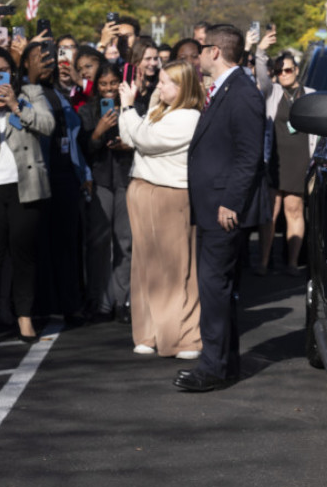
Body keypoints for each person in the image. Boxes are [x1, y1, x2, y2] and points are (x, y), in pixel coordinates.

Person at [176, 24, 265, 392]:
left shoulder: (242, 92)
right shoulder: (227, 88)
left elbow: (249, 156)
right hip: (213, 205)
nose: (197, 57)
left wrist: (231, 201)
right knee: (218, 289)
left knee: (214, 288)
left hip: (223, 208)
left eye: (201, 50)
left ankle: (212, 367)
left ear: (216, 51)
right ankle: (224, 363)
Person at [118, 60, 204, 359]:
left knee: (176, 267)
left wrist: (129, 108)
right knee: (144, 265)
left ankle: (183, 336)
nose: (159, 85)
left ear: (182, 88)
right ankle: (148, 333)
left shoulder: (189, 117)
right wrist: (138, 108)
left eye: (165, 82)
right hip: (142, 188)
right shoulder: (162, 110)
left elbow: (145, 139)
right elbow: (130, 138)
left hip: (171, 194)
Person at [0, 46, 55, 344]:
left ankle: (24, 317)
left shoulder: (30, 93)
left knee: (23, 255)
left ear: (12, 72)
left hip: (25, 185)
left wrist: (18, 106)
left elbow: (48, 125)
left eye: (2, 72)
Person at [22, 42, 91, 324]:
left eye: (49, 58)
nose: (46, 63)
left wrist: (84, 174)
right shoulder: (21, 91)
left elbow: (73, 138)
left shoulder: (61, 95)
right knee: (38, 244)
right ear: (25, 63)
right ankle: (41, 304)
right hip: (36, 174)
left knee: (67, 244)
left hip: (65, 175)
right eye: (38, 59)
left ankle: (70, 303)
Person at [78, 61, 133, 323]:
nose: (109, 88)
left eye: (113, 83)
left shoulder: (132, 107)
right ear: (96, 86)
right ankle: (99, 300)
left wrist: (128, 143)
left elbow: (142, 138)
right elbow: (86, 149)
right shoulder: (88, 111)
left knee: (125, 241)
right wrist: (98, 133)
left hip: (125, 178)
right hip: (100, 180)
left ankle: (122, 301)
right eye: (104, 84)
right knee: (98, 243)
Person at [256, 51, 314, 275]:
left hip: (300, 160)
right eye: (279, 71)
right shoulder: (273, 93)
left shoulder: (310, 95)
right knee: (270, 211)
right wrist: (261, 52)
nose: (283, 74)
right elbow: (261, 77)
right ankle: (263, 262)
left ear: (297, 70)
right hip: (275, 160)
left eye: (288, 70)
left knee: (294, 210)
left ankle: (291, 263)